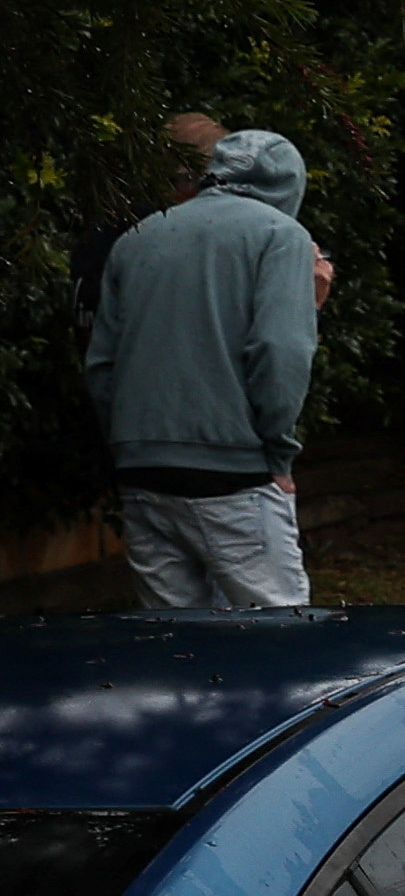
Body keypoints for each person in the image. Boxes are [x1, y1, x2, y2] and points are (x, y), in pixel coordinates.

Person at [87, 127, 326, 610]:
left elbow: (102, 367)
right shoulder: (281, 235)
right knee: (277, 645)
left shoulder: (138, 237)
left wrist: (130, 444)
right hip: (234, 472)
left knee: (176, 651)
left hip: (142, 470)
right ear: (290, 186)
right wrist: (278, 455)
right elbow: (280, 350)